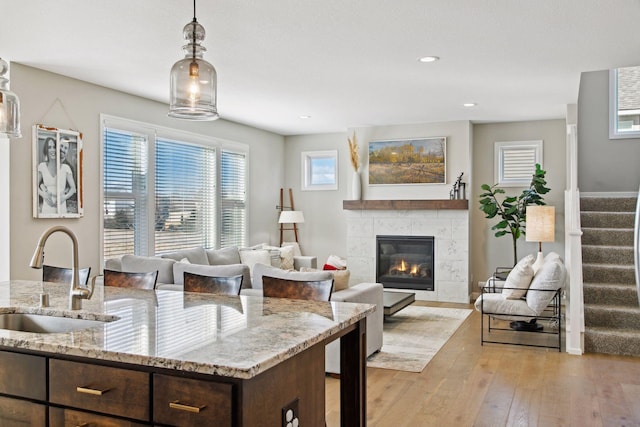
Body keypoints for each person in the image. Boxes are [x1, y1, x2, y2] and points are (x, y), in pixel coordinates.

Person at [37, 137, 76, 215]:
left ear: (67, 151)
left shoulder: (68, 167)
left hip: (61, 207)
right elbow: (38, 184)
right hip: (46, 208)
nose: (62, 150)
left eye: (65, 148)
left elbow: (72, 188)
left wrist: (63, 196)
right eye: (61, 146)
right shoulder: (43, 165)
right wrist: (44, 191)